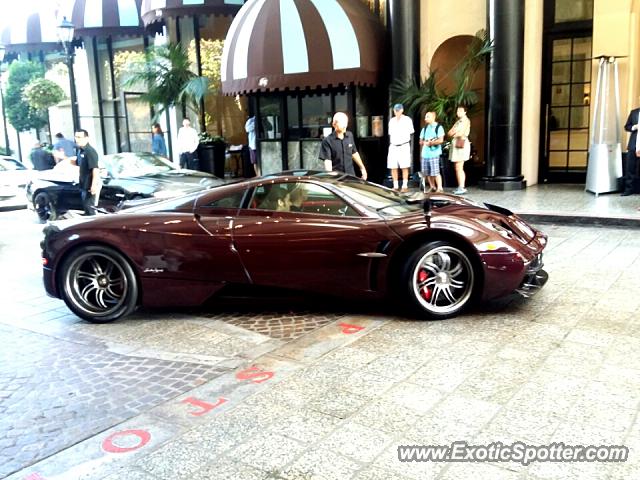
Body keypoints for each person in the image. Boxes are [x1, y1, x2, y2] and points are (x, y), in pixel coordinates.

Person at [319, 112, 367, 180]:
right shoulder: (327, 141)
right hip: (337, 179)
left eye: (345, 122)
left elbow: (354, 153)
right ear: (334, 124)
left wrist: (362, 168)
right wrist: (330, 177)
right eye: (341, 122)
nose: (344, 125)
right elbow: (328, 163)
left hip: (351, 177)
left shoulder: (350, 136)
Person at [72, 129, 101, 216]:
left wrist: (93, 185)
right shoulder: (80, 150)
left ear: (86, 138)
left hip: (89, 185)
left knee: (90, 208)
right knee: (85, 208)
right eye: (76, 137)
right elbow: (77, 163)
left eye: (79, 137)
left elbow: (95, 169)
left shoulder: (90, 151)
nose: (77, 139)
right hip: (83, 184)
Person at [387, 103, 414, 192]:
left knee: (404, 166)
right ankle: (395, 186)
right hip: (393, 145)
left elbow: (411, 132)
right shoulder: (392, 120)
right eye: (395, 110)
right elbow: (390, 133)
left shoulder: (407, 120)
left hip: (404, 145)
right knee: (393, 166)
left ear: (402, 110)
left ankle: (404, 185)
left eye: (398, 110)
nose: (397, 112)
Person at [419, 111, 445, 193]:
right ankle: (432, 186)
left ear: (433, 117)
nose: (425, 118)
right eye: (425, 116)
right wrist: (424, 142)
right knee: (427, 172)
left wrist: (431, 143)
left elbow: (441, 140)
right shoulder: (425, 128)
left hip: (434, 153)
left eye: (428, 117)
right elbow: (420, 141)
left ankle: (440, 187)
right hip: (425, 154)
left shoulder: (439, 127)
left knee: (435, 171)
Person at [448, 105, 471, 195]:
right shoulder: (458, 122)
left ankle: (462, 187)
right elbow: (449, 133)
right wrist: (455, 133)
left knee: (459, 167)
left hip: (461, 144)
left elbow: (461, 133)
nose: (458, 112)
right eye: (458, 111)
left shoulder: (465, 121)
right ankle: (460, 186)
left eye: (461, 111)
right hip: (456, 144)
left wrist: (455, 133)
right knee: (457, 167)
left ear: (465, 112)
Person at [621, 105, 640, 196]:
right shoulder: (634, 112)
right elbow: (627, 126)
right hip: (633, 145)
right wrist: (634, 127)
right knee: (630, 168)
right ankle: (629, 189)